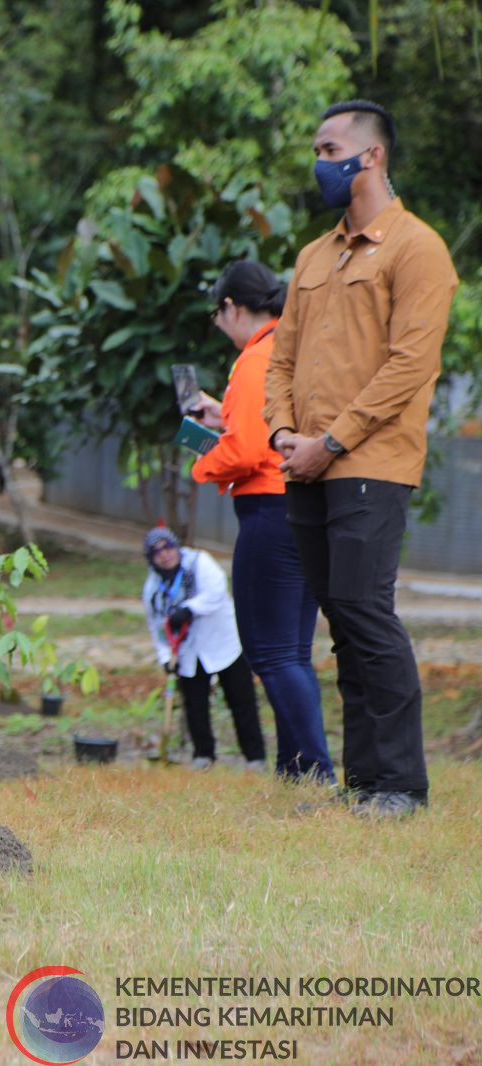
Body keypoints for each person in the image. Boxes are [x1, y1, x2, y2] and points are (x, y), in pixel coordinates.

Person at [264, 100, 459, 818]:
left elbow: (411, 365)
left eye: (328, 147)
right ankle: (365, 782)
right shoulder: (315, 256)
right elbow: (279, 361)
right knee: (341, 623)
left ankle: (402, 784)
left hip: (370, 464)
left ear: (370, 156)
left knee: (366, 612)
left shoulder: (418, 248)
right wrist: (284, 434)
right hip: (307, 463)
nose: (319, 161)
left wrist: (333, 441)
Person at [190, 261, 333, 781]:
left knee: (270, 652)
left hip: (268, 513)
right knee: (292, 652)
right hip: (300, 510)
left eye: (217, 314)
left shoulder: (256, 360)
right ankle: (296, 765)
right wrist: (223, 417)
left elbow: (247, 450)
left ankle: (314, 768)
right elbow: (261, 428)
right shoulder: (290, 351)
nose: (218, 324)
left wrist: (201, 461)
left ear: (232, 307)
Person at [141, 528, 267, 771]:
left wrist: (189, 608)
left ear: (176, 546)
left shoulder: (200, 562)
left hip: (224, 643)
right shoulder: (153, 589)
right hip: (187, 651)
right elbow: (157, 626)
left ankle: (255, 758)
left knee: (242, 700)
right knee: (195, 704)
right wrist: (165, 657)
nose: (164, 555)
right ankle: (203, 756)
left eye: (167, 547)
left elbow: (216, 592)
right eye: (156, 552)